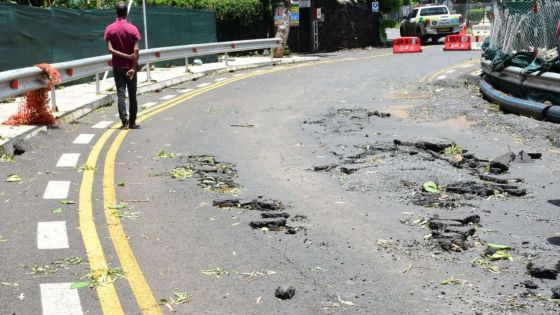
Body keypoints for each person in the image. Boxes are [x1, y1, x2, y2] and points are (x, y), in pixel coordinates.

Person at [103, 2, 141, 129]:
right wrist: (133, 67)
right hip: (131, 67)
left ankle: (124, 122)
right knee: (132, 95)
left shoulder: (110, 28)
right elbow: (136, 51)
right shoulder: (133, 28)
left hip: (117, 66)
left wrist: (124, 57)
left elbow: (110, 50)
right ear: (126, 13)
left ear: (116, 12)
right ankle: (132, 122)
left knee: (120, 95)